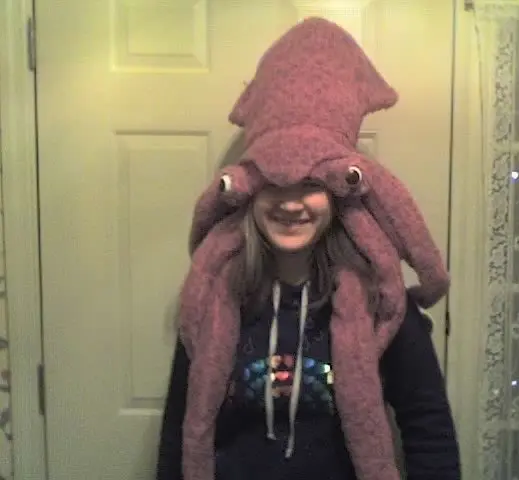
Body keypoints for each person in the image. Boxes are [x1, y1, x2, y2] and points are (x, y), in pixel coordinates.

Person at [157, 17, 460, 480]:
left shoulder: (383, 302)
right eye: (275, 183)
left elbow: (429, 428)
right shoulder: (214, 296)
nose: (291, 202)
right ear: (250, 190)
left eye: (310, 184)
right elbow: (179, 428)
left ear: (337, 193)